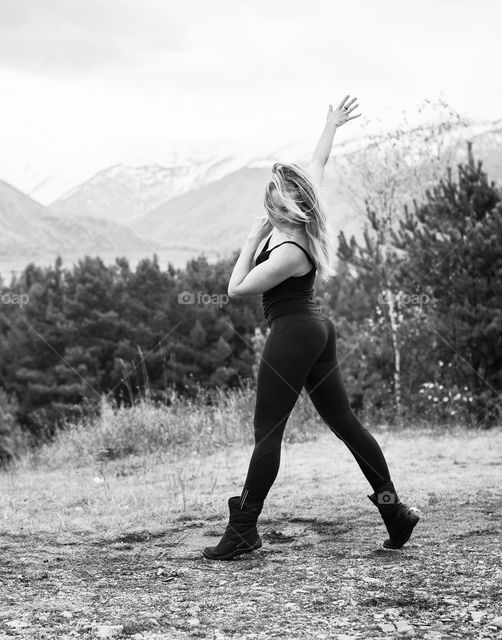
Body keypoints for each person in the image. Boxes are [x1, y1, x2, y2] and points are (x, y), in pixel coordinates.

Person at [202, 96, 420, 561]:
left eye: (272, 197)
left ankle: (244, 528)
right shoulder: (307, 218)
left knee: (268, 433)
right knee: (345, 423)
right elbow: (317, 161)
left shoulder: (287, 251)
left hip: (294, 333)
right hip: (318, 327)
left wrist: (249, 241)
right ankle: (394, 512)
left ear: (281, 206)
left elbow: (236, 288)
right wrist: (330, 125)